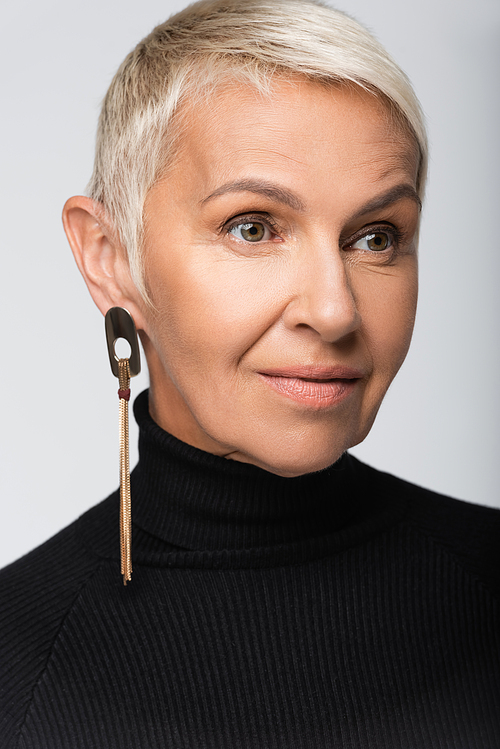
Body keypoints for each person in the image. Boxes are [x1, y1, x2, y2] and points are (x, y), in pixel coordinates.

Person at [1, 0, 498, 746]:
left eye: (376, 236)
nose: (334, 311)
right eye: (253, 227)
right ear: (112, 259)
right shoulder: (16, 666)